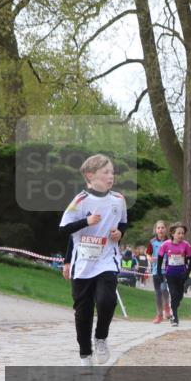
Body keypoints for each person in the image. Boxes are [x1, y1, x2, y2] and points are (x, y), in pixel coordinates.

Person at [58, 154, 127, 365]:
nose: (110, 176)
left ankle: (101, 337)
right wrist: (85, 221)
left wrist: (120, 233)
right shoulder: (80, 200)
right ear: (90, 175)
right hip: (83, 264)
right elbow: (64, 229)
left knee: (107, 301)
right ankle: (85, 354)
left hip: (107, 261)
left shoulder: (118, 200)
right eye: (105, 172)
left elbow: (122, 223)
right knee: (83, 311)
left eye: (112, 172)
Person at [156, 223, 191, 327]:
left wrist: (187, 273)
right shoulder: (165, 244)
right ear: (173, 234)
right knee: (174, 294)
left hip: (182, 274)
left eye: (183, 233)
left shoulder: (186, 245)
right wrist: (159, 272)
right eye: (179, 233)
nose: (181, 235)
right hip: (170, 274)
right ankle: (175, 318)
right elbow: (160, 259)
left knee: (179, 296)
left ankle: (174, 308)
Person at [147, 220, 171, 323]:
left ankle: (167, 307)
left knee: (164, 288)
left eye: (162, 227)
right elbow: (148, 253)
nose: (160, 229)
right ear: (155, 230)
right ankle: (159, 315)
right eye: (158, 228)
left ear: (166, 229)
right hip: (156, 270)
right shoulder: (152, 242)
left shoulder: (170, 241)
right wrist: (149, 258)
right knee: (157, 293)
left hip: (166, 270)